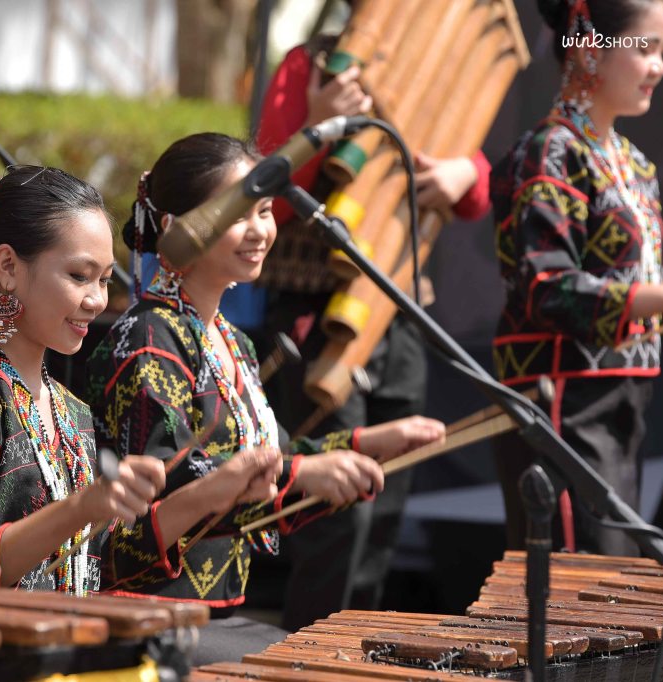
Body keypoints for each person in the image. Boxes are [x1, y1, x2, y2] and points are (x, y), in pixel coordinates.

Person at [85, 133, 445, 663]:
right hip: (144, 609)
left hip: (210, 613)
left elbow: (273, 458)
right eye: (239, 214)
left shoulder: (234, 341)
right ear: (177, 228)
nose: (259, 230)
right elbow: (173, 477)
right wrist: (305, 474)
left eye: (266, 211)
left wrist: (364, 443)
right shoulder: (148, 338)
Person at [0, 165, 285, 597]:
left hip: (68, 637)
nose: (97, 300)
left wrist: (208, 494)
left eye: (105, 280)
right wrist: (82, 507)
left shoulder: (70, 409)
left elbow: (100, 562)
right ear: (8, 266)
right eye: (79, 276)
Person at [251, 30, 495, 631]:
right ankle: (309, 655)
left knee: (387, 501)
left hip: (399, 307)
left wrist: (467, 173)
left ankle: (352, 648)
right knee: (337, 511)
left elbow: (473, 181)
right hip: (318, 310)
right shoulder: (310, 64)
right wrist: (316, 124)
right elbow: (260, 194)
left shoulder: (435, 52)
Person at [492, 0, 663, 556]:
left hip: (622, 402)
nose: (660, 67)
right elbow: (547, 288)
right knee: (578, 583)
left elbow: (639, 278)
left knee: (614, 581)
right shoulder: (549, 152)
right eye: (646, 48)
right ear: (591, 48)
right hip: (562, 403)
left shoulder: (634, 164)